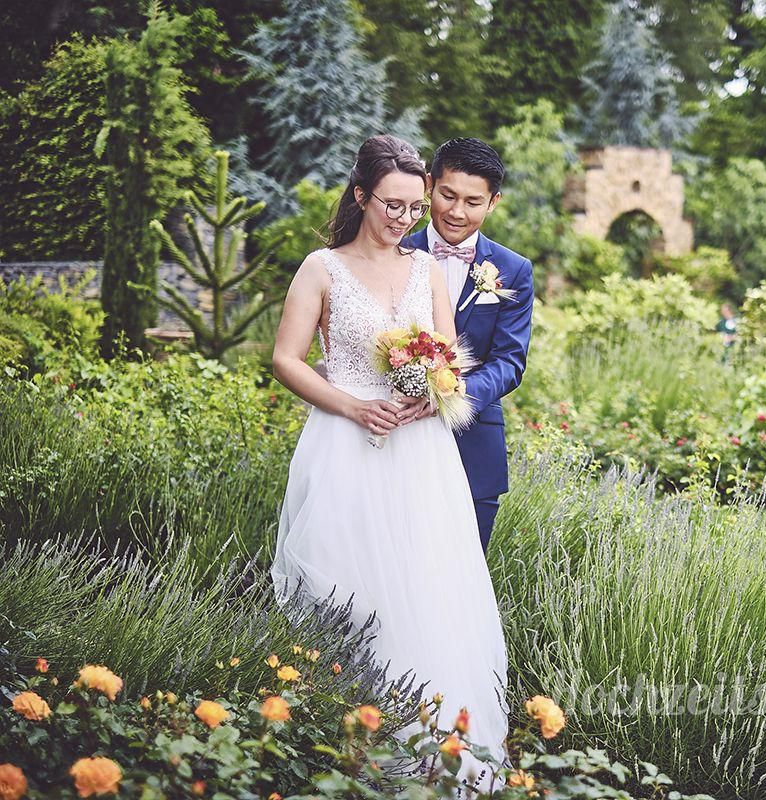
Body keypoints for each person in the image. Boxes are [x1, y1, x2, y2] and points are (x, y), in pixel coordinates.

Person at [268, 134, 510, 791]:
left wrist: (431, 391)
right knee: (348, 590)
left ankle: (431, 750)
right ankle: (340, 744)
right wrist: (350, 406)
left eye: (413, 209)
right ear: (360, 196)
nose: (406, 219)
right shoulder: (321, 268)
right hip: (345, 444)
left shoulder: (427, 271)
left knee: (425, 589)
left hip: (418, 454)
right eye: (392, 206)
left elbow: (448, 361)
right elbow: (286, 359)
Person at [402, 138, 535, 555]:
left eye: (473, 201)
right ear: (428, 185)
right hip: (396, 434)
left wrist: (452, 395)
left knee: (464, 570)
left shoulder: (513, 270)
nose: (457, 212)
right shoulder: (393, 251)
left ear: (493, 202)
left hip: (473, 443)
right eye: (448, 195)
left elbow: (510, 362)